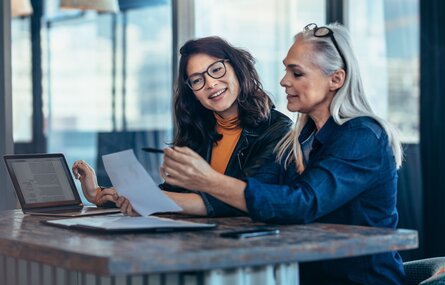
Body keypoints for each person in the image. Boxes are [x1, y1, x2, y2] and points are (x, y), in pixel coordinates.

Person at [135, 23, 405, 284]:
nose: (284, 81)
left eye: (296, 73)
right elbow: (257, 196)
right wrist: (137, 197)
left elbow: (302, 203)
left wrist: (208, 180)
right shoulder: (299, 140)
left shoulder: (363, 136)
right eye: (286, 70)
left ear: (336, 79)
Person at [72, 36, 291, 217]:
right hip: (196, 242)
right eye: (197, 80)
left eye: (216, 69)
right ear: (192, 93)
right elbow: (173, 193)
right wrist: (100, 194)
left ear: (237, 68)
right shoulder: (199, 130)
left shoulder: (277, 129)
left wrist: (149, 200)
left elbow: (243, 199)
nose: (211, 84)